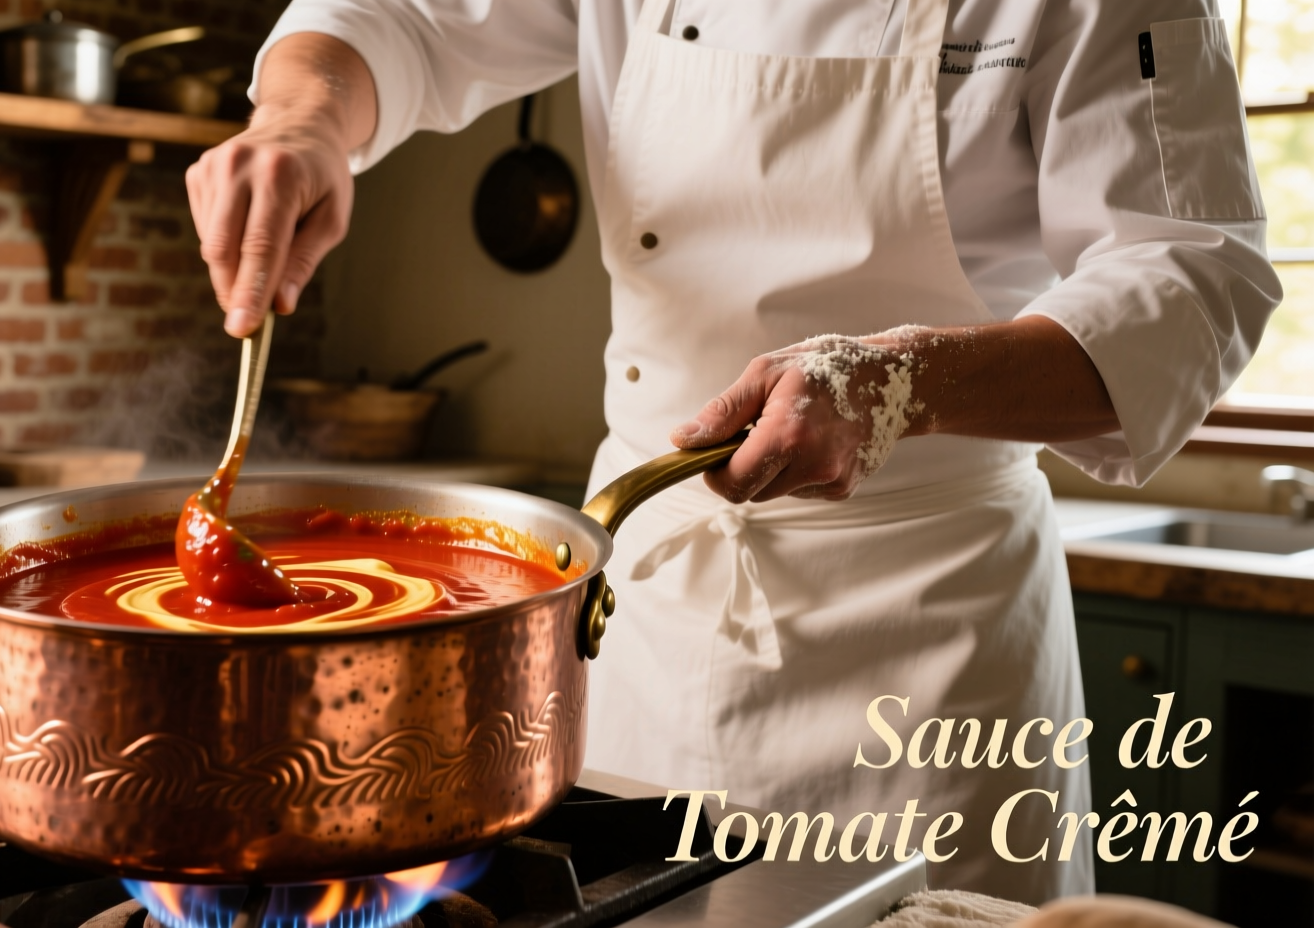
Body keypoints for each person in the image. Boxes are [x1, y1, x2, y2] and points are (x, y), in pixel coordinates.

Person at [183, 0, 1281, 905]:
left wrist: (898, 383)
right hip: (643, 610)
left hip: (926, 642)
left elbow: (1193, 279)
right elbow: (392, 21)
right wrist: (303, 125)